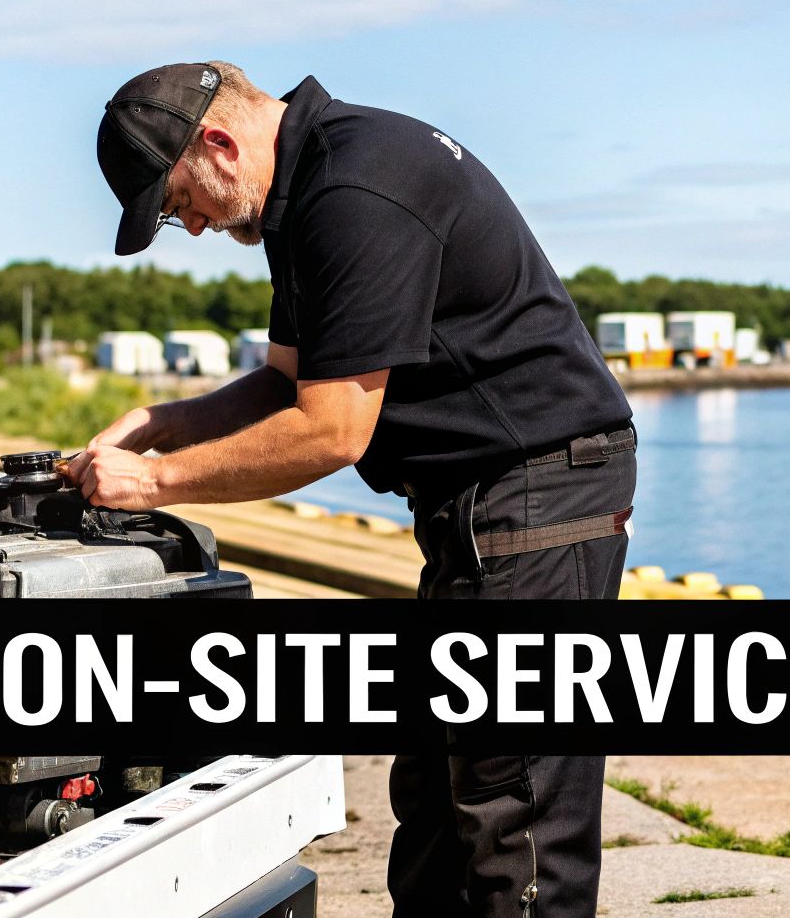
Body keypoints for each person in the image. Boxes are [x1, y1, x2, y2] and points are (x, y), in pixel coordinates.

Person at [78, 60, 637, 918]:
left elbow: (332, 431)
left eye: (177, 199)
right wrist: (161, 422)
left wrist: (154, 482)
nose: (188, 225)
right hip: (480, 505)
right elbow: (286, 382)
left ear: (219, 143)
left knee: (516, 813)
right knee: (436, 813)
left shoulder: (354, 188)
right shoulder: (303, 191)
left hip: (538, 494)